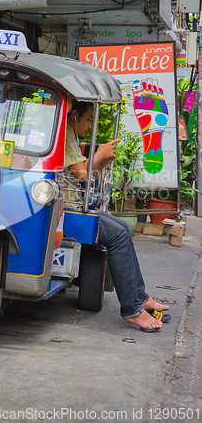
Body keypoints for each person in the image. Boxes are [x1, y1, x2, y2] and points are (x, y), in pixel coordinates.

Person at [64, 101, 171, 332]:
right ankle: (132, 309)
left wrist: (101, 160)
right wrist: (100, 153)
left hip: (75, 204)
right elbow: (82, 175)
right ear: (75, 115)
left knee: (121, 227)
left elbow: (88, 176)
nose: (90, 124)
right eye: (89, 119)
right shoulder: (65, 135)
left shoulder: (70, 136)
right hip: (65, 209)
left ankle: (140, 298)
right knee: (118, 236)